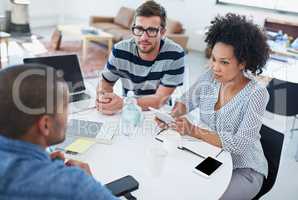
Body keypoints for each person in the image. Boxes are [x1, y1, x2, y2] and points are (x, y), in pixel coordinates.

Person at [157, 13, 270, 200]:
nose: (215, 67)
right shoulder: (209, 77)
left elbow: (240, 144)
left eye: (224, 62)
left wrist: (193, 130)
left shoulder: (257, 94)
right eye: (214, 59)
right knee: (176, 187)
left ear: (243, 63)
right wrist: (170, 117)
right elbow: (185, 102)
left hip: (243, 169)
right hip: (211, 158)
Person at [0, 64, 118, 200]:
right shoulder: (74, 185)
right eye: (65, 107)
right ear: (45, 124)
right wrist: (89, 186)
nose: (69, 115)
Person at [96, 0, 185, 115]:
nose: (143, 37)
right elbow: (105, 82)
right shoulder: (120, 50)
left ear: (162, 32)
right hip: (128, 112)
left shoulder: (175, 54)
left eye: (151, 30)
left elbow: (159, 100)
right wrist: (104, 98)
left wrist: (124, 103)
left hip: (158, 114)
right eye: (139, 29)